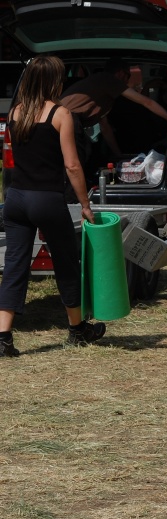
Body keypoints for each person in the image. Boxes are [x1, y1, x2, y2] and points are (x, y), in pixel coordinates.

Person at [0, 56, 105, 357]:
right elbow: (72, 165)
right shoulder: (60, 114)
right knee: (66, 262)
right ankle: (78, 329)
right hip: (46, 199)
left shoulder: (16, 112)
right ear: (53, 81)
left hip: (16, 199)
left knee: (15, 266)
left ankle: (3, 336)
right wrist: (85, 204)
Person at [61, 58, 167, 167]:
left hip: (58, 120)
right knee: (76, 162)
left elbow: (105, 128)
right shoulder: (109, 80)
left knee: (82, 155)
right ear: (121, 73)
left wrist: (119, 156)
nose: (128, 80)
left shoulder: (100, 90)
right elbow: (146, 102)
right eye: (128, 76)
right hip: (68, 120)